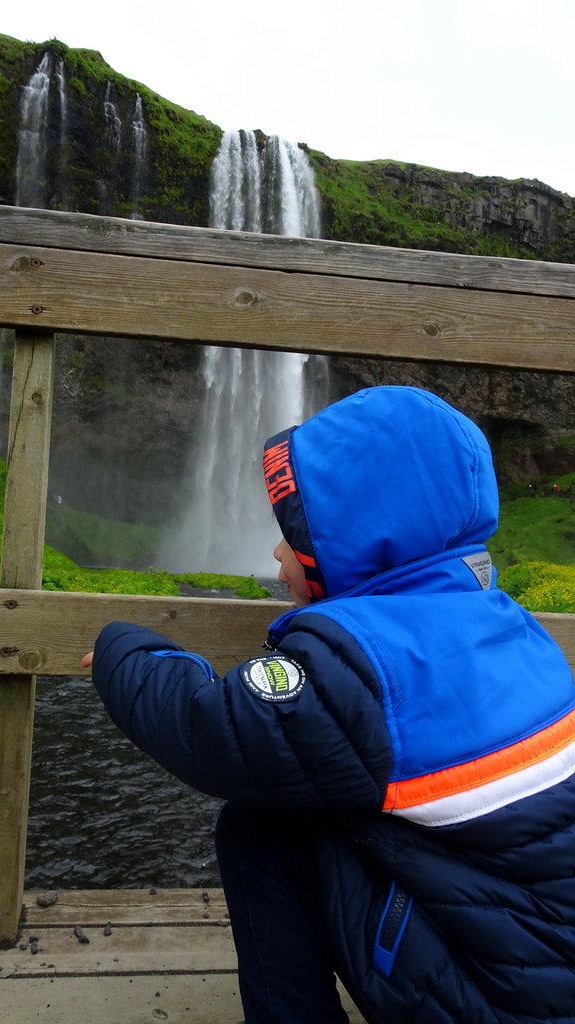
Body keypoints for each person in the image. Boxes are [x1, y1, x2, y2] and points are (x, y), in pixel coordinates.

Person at [82, 385, 575, 1024]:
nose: (277, 553)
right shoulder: (502, 622)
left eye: (295, 533)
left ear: (359, 536)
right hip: (541, 957)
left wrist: (125, 650)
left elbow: (210, 727)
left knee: (260, 821)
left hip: (504, 1002)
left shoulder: (367, 671)